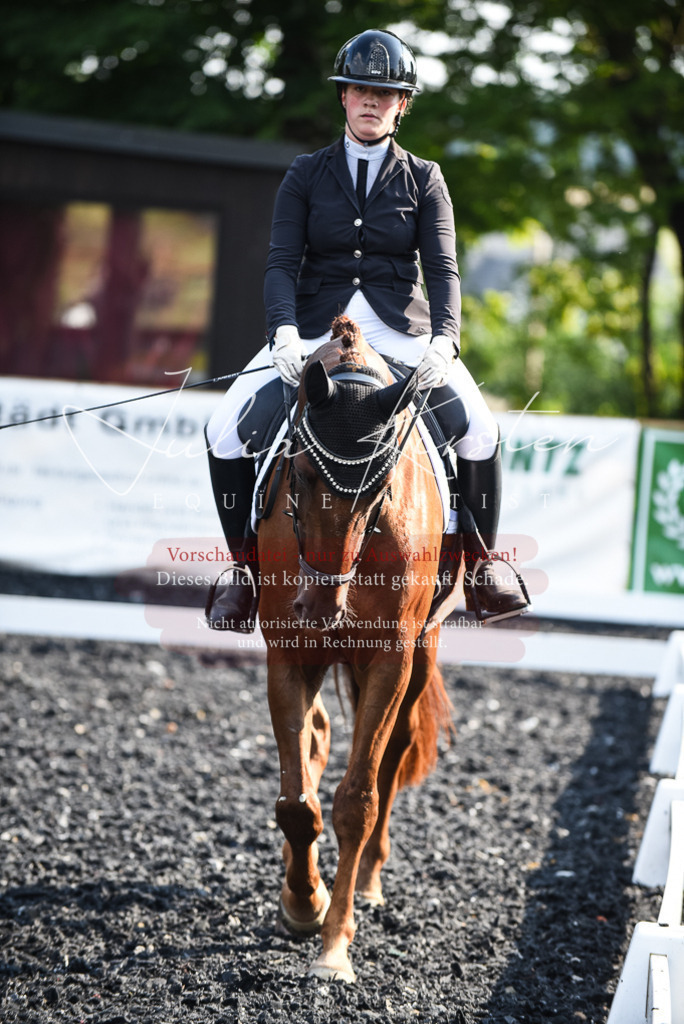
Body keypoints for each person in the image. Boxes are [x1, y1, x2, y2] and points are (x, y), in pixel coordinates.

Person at [205, 28, 530, 632]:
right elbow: (281, 263)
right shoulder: (306, 173)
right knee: (223, 430)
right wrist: (282, 333)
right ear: (344, 96)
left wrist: (445, 339)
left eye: (385, 93)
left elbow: (443, 269)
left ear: (402, 104)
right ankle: (243, 572)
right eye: (360, 90)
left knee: (481, 431)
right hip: (314, 332)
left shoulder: (425, 177)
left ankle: (484, 566)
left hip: (400, 329)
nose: (371, 100)